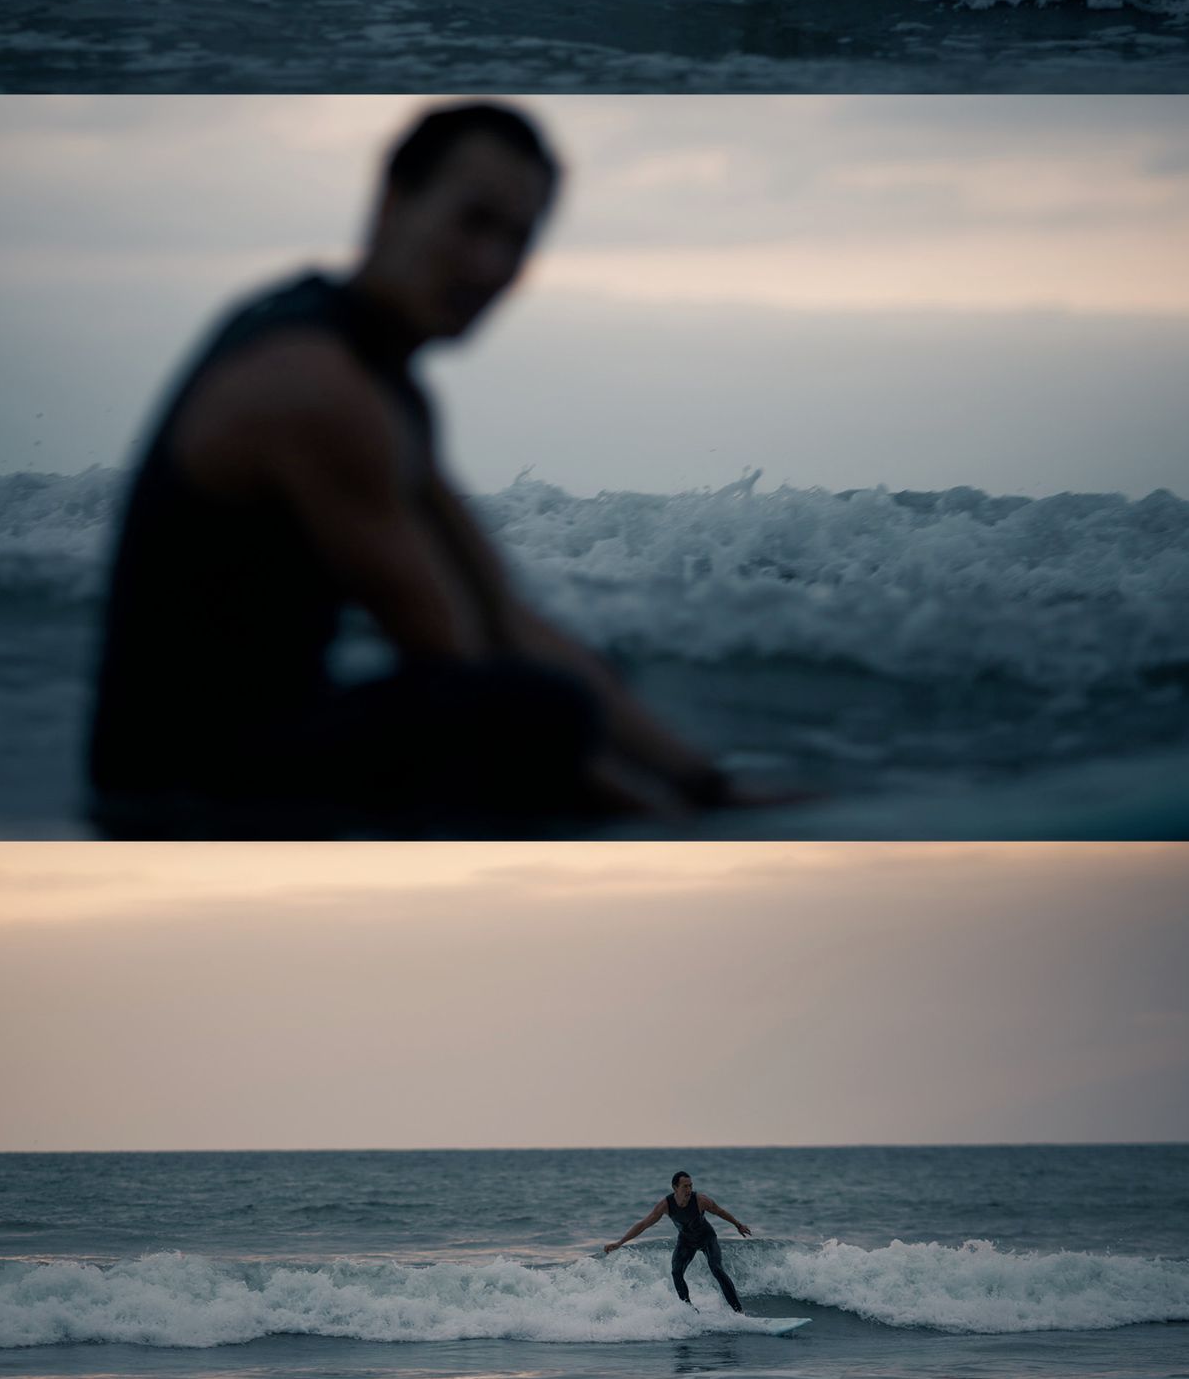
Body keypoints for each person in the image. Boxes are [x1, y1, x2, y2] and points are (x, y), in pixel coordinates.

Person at [86, 101, 756, 838]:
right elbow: (460, 666)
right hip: (177, 796)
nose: (491, 267)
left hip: (253, 760)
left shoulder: (378, 375)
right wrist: (662, 825)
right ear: (394, 200)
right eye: (472, 222)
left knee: (575, 683)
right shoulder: (318, 386)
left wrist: (709, 788)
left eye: (518, 240)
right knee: (538, 710)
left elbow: (500, 614)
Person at [604, 1170, 752, 1312]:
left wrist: (738, 1225)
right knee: (676, 1272)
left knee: (716, 1269)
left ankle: (738, 1311)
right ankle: (689, 1311)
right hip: (686, 1241)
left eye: (690, 1186)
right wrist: (619, 1243)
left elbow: (720, 1211)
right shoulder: (666, 1205)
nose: (689, 1189)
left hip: (707, 1238)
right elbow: (643, 1224)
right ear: (675, 1188)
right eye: (685, 1186)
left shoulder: (700, 1200)